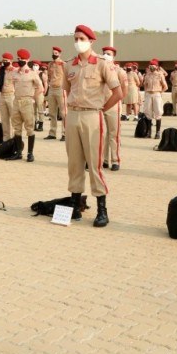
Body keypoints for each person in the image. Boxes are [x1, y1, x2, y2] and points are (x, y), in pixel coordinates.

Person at [64, 25, 122, 227]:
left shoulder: (102, 64)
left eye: (81, 38)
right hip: (72, 115)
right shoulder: (68, 65)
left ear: (91, 41)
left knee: (94, 165)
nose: (78, 41)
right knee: (74, 163)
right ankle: (75, 206)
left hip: (92, 116)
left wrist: (101, 109)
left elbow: (118, 92)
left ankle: (101, 210)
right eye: (75, 38)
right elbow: (67, 90)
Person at [9, 48, 44, 162]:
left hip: (27, 102)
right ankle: (19, 152)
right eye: (18, 58)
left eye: (22, 59)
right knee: (17, 127)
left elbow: (41, 88)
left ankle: (30, 153)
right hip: (16, 101)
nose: (19, 60)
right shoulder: (14, 72)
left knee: (29, 127)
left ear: (27, 60)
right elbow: (13, 84)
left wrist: (33, 98)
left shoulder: (33, 74)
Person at [100, 47, 128, 171]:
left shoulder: (119, 71)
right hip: (99, 104)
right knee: (101, 134)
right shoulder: (98, 68)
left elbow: (124, 89)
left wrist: (119, 101)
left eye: (109, 54)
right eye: (104, 53)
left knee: (113, 134)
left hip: (113, 104)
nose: (106, 55)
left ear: (114, 57)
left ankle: (115, 160)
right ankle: (104, 160)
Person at [142, 58, 168, 139]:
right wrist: (146, 93)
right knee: (148, 113)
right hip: (149, 94)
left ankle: (158, 132)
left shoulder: (160, 75)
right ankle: (149, 132)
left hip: (157, 94)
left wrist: (159, 92)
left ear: (157, 66)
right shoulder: (147, 75)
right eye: (150, 65)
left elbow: (165, 87)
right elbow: (145, 85)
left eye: (153, 65)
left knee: (158, 112)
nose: (151, 67)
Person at [45, 47, 67, 141]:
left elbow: (67, 76)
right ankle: (52, 133)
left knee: (63, 113)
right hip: (52, 89)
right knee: (52, 112)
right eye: (53, 53)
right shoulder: (50, 64)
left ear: (60, 54)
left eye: (56, 53)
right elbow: (49, 76)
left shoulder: (63, 64)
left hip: (60, 89)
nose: (54, 54)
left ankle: (65, 133)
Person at [0, 52, 15, 138]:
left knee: (13, 118)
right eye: (3, 60)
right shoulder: (1, 70)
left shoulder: (15, 71)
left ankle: (14, 138)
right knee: (4, 119)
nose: (4, 62)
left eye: (6, 60)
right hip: (2, 95)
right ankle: (6, 138)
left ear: (11, 61)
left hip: (11, 96)